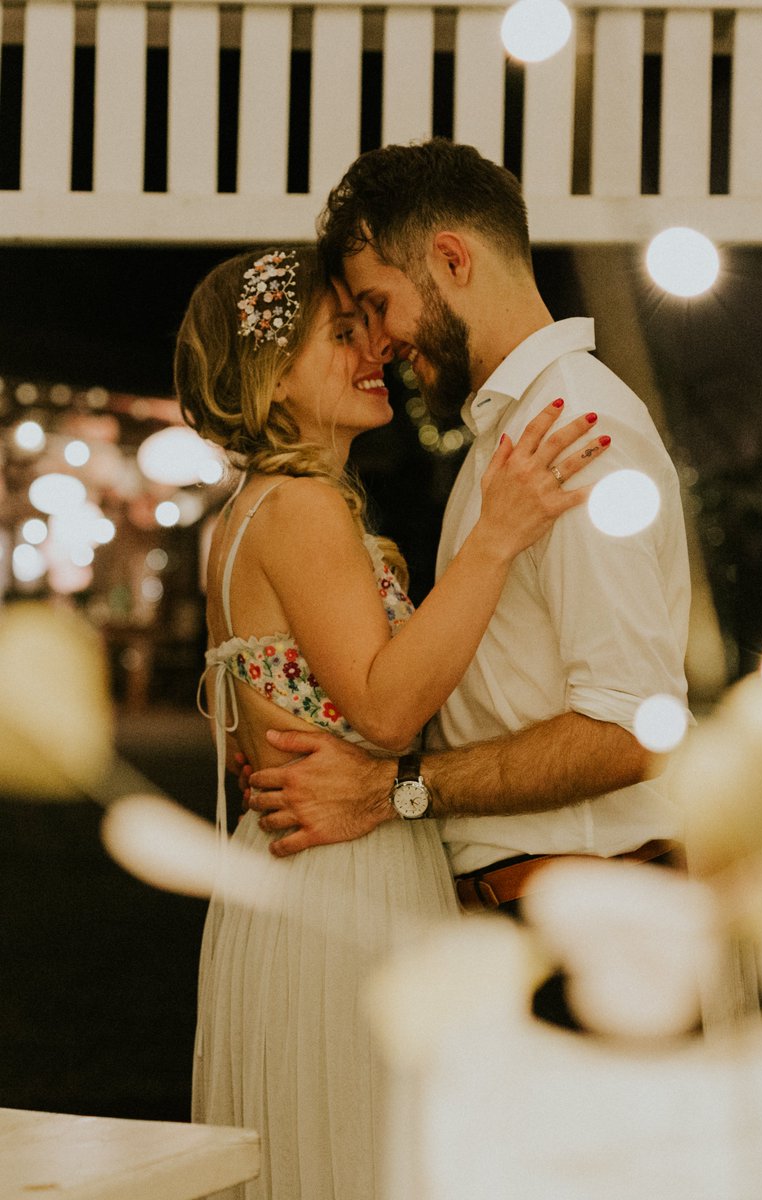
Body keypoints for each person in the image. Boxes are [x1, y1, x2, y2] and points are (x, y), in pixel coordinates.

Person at [175, 243, 609, 1198]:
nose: (375, 348)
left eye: (369, 324)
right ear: (268, 376)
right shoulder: (299, 509)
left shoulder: (258, 509)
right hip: (342, 872)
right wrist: (497, 537)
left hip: (305, 865)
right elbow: (386, 704)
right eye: (342, 333)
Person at [243, 142, 692, 1021]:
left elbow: (630, 730)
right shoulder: (509, 434)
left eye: (378, 305)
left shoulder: (574, 426)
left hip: (583, 934)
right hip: (534, 923)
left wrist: (394, 788)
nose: (379, 343)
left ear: (451, 259)